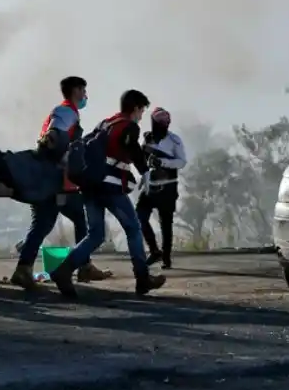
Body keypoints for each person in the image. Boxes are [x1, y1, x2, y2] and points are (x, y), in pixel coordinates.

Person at [49, 90, 167, 298]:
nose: (141, 115)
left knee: (95, 234)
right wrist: (146, 173)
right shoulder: (129, 126)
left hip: (89, 185)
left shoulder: (106, 123)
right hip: (109, 185)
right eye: (141, 110)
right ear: (136, 108)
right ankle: (142, 278)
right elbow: (131, 148)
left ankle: (64, 270)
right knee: (133, 228)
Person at [10, 76, 111, 289]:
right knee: (63, 222)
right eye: (83, 91)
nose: (85, 96)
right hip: (54, 180)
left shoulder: (67, 113)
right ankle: (79, 267)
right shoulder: (65, 112)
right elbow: (53, 138)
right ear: (75, 91)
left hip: (53, 180)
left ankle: (27, 268)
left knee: (50, 223)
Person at [136, 108, 187, 269]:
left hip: (168, 186)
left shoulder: (174, 140)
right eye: (159, 123)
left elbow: (182, 162)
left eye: (165, 123)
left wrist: (163, 162)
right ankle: (154, 250)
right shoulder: (148, 139)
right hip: (150, 186)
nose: (162, 126)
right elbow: (141, 161)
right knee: (139, 218)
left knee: (166, 223)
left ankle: (166, 257)